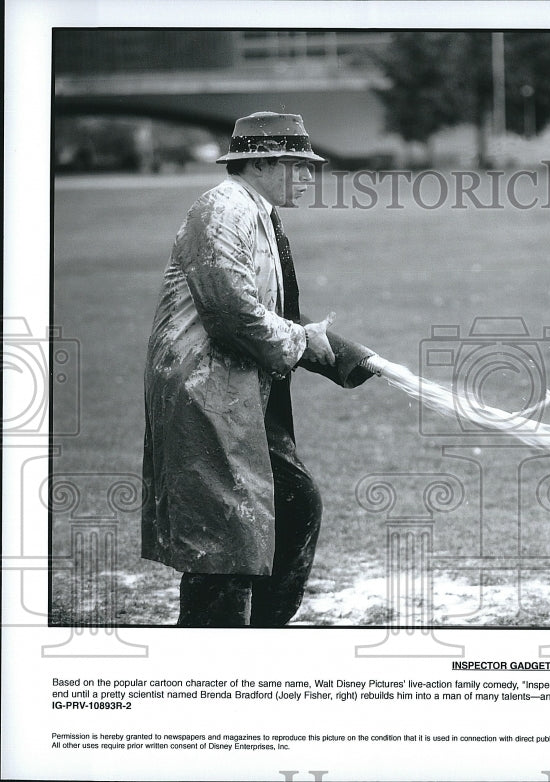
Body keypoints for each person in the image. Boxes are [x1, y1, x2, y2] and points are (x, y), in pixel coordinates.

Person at [141, 111, 375, 627]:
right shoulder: (223, 211)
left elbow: (273, 311)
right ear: (263, 162)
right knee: (223, 533)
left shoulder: (256, 210)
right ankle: (208, 657)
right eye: (298, 164)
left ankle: (262, 637)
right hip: (205, 391)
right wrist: (301, 340)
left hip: (238, 388)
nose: (309, 175)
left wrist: (351, 357)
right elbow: (234, 316)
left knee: (292, 503)